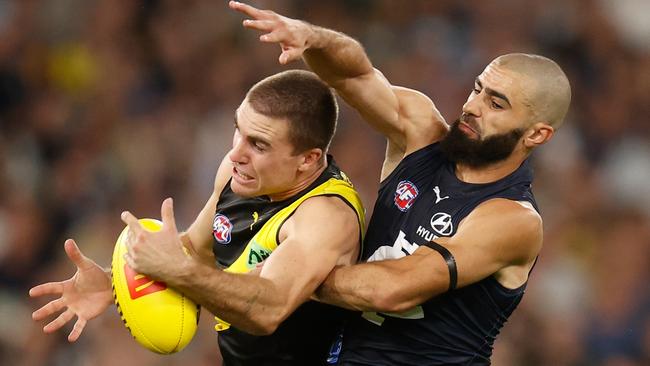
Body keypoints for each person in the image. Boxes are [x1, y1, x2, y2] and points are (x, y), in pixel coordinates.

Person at [230, 1, 571, 365]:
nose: (472, 106)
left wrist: (294, 278)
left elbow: (391, 290)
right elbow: (354, 77)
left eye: (496, 104)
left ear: (537, 134)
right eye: (477, 89)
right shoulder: (422, 135)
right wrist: (314, 39)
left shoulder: (513, 219)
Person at [29, 69, 366, 366]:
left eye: (259, 145)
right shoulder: (238, 175)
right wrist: (117, 281)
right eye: (239, 131)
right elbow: (196, 250)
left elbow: (269, 309)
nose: (235, 153)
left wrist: (181, 270)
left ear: (307, 160)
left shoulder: (325, 216)